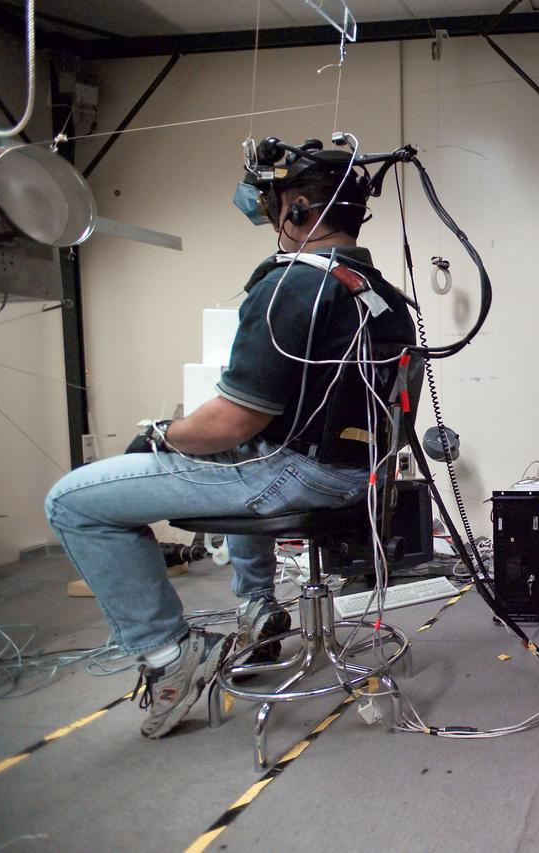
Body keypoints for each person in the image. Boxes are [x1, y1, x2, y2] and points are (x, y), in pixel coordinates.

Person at [44, 137, 415, 738]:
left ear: (295, 208)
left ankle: (170, 656)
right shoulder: (381, 294)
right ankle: (258, 606)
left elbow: (229, 422)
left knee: (72, 502)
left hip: (297, 475)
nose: (268, 216)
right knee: (240, 454)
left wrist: (162, 433)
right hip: (356, 474)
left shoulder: (288, 287)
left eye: (272, 205)